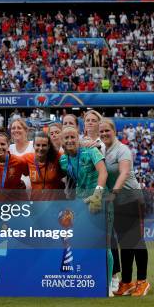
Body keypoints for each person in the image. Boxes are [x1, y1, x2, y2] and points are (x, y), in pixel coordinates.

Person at [99, 119, 150, 297]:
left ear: (115, 131)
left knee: (135, 240)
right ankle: (127, 282)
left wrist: (113, 192)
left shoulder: (122, 149)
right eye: (102, 131)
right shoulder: (103, 150)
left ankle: (142, 281)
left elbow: (125, 172)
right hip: (117, 202)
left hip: (131, 198)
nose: (104, 134)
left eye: (107, 131)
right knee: (124, 242)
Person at [59, 126, 111, 294]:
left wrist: (97, 194)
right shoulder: (64, 160)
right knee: (83, 242)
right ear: (62, 141)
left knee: (104, 244)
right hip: (80, 203)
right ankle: (90, 279)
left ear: (78, 138)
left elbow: (103, 172)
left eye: (72, 137)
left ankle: (107, 285)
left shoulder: (91, 151)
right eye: (66, 138)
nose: (69, 140)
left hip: (100, 201)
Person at [20, 131, 65, 200]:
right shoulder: (27, 158)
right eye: (38, 145)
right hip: (36, 205)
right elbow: (12, 164)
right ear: (33, 145)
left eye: (44, 145)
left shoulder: (57, 157)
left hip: (55, 205)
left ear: (49, 146)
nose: (40, 148)